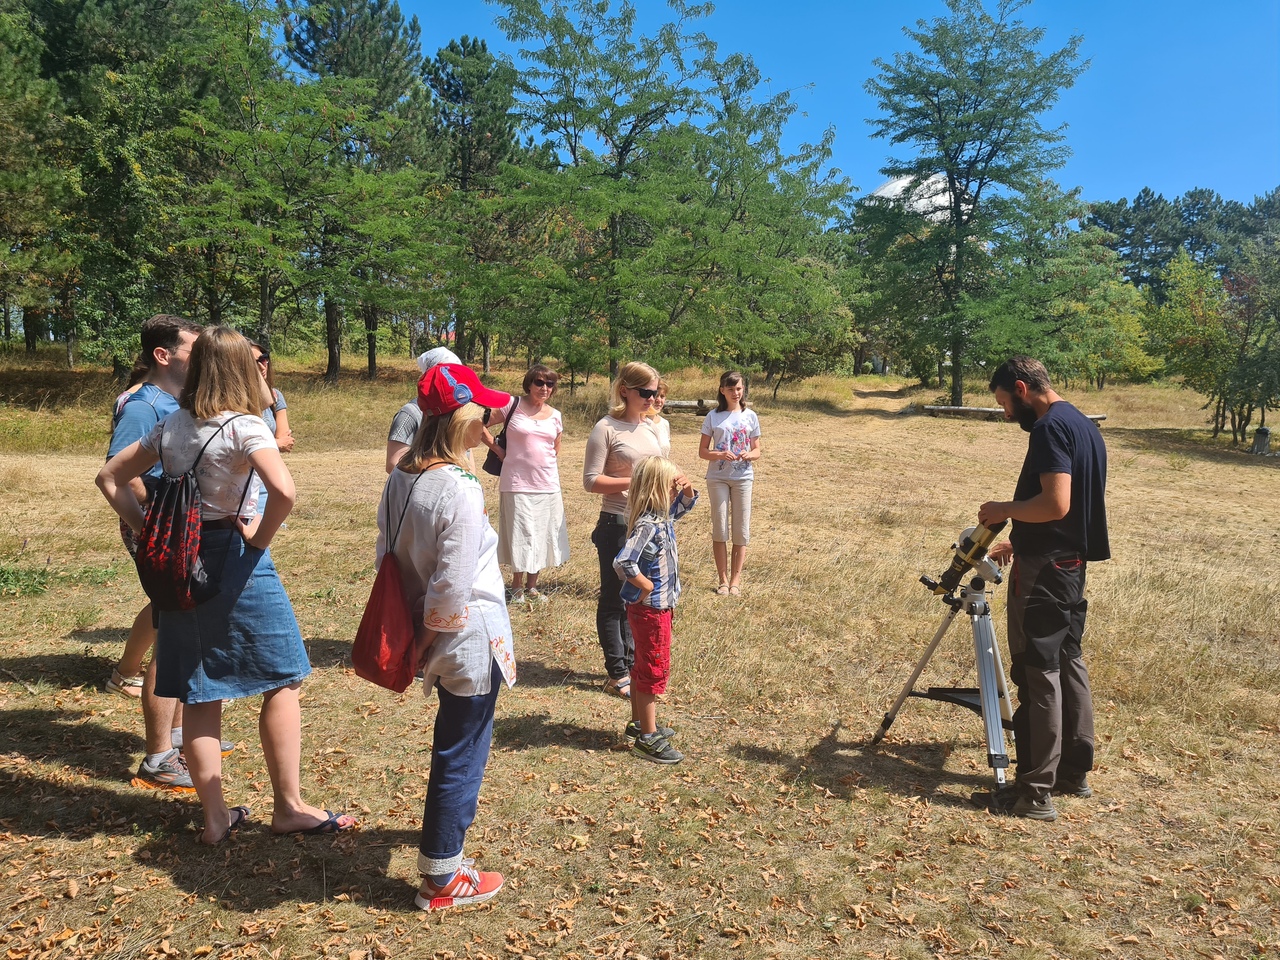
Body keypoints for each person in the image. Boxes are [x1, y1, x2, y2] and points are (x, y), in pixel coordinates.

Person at [97, 326, 355, 844]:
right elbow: (284, 491)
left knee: (199, 692)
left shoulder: (171, 425)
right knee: (284, 676)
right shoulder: (244, 427)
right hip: (235, 558)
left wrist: (147, 530)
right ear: (241, 369)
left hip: (179, 560)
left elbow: (109, 477)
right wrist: (257, 543)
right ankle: (290, 806)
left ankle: (215, 818)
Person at [378, 363, 516, 911]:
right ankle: (442, 873)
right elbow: (454, 586)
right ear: (462, 415)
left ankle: (443, 858)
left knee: (453, 743)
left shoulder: (401, 478)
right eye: (481, 408)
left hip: (431, 632)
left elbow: (390, 561)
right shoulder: (458, 487)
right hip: (464, 638)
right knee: (463, 749)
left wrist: (414, 635)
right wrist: (424, 643)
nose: (488, 416)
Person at [976, 355, 1109, 823]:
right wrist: (1022, 536)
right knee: (1069, 661)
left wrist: (1002, 509)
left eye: (1006, 403)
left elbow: (1055, 502)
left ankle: (1034, 792)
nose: (1007, 414)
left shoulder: (1050, 429)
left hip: (1045, 575)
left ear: (1022, 387)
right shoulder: (1084, 425)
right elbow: (1068, 513)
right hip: (1069, 565)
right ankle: (1073, 771)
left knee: (1039, 671)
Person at [103, 314, 206, 792]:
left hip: (175, 530)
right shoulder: (144, 407)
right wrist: (148, 531)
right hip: (164, 532)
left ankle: (181, 735)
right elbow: (116, 476)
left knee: (184, 627)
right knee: (173, 632)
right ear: (163, 356)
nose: (202, 357)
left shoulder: (173, 401)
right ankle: (159, 755)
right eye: (193, 348)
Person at [583, 361, 664, 699]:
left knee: (638, 599)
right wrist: (635, 481)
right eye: (645, 392)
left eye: (655, 393)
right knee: (615, 600)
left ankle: (630, 663)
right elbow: (590, 481)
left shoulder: (651, 428)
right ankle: (617, 672)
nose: (651, 398)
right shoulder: (606, 428)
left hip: (648, 525)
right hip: (616, 523)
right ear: (624, 391)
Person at [612, 456, 697, 764]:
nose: (678, 489)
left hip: (655, 609)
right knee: (652, 671)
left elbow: (684, 508)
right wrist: (645, 586)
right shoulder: (649, 525)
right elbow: (624, 561)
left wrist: (687, 491)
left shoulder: (662, 517)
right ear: (657, 489)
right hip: (651, 610)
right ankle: (648, 739)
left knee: (642, 668)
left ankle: (638, 724)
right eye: (673, 485)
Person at [486, 364, 569, 603]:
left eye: (550, 384)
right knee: (521, 533)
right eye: (539, 383)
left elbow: (555, 449)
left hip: (547, 484)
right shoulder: (511, 406)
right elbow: (478, 424)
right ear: (529, 384)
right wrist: (498, 449)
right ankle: (516, 587)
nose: (544, 388)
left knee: (542, 534)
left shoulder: (555, 415)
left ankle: (532, 587)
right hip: (516, 482)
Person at [698, 371, 761, 597]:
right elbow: (703, 452)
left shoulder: (750, 416)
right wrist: (720, 454)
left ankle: (736, 580)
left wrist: (749, 454)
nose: (736, 393)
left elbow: (757, 450)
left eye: (739, 389)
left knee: (741, 529)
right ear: (722, 390)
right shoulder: (713, 417)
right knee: (720, 527)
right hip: (717, 478)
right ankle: (722, 580)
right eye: (731, 389)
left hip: (743, 477)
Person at [386, 347, 462, 473]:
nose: (452, 380)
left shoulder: (459, 412)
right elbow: (393, 464)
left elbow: (467, 457)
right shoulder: (410, 413)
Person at [649, 379, 672, 457]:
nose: (659, 400)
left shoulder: (665, 423)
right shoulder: (638, 422)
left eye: (662, 396)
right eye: (656, 396)